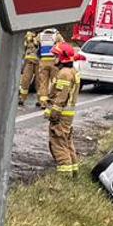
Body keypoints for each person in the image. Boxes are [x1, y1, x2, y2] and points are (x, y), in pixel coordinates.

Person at [46, 41, 81, 174]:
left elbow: (61, 97)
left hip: (60, 117)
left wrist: (53, 114)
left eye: (56, 56)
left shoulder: (64, 73)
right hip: (68, 117)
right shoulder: (73, 71)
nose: (54, 58)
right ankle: (73, 171)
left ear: (62, 57)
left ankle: (65, 175)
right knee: (67, 143)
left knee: (59, 145)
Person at [17, 31, 40, 106]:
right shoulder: (27, 37)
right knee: (25, 80)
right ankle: (22, 98)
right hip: (29, 61)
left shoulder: (40, 36)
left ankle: (40, 100)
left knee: (38, 81)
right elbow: (23, 47)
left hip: (38, 62)